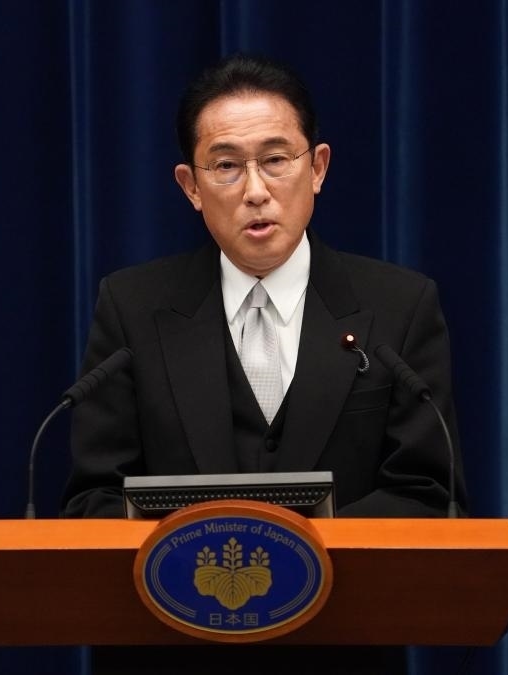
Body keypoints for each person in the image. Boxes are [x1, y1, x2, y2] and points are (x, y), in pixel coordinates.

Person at [60, 54, 466, 672]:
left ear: (318, 168)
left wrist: (294, 553)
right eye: (226, 165)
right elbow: (93, 497)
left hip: (342, 646)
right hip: (172, 644)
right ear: (190, 187)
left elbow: (429, 495)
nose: (255, 190)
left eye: (276, 159)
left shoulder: (398, 307)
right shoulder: (133, 308)